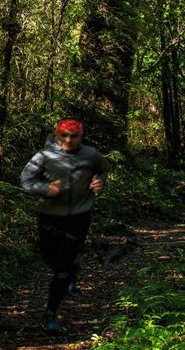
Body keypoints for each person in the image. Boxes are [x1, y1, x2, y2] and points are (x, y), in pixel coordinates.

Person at [20, 118, 108, 334]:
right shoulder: (43, 156)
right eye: (64, 136)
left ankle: (50, 313)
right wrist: (45, 188)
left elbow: (103, 169)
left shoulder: (91, 154)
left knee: (61, 267)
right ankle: (71, 272)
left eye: (74, 136)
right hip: (49, 216)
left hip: (79, 216)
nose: (68, 140)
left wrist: (100, 181)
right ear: (56, 134)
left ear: (82, 136)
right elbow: (25, 180)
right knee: (51, 259)